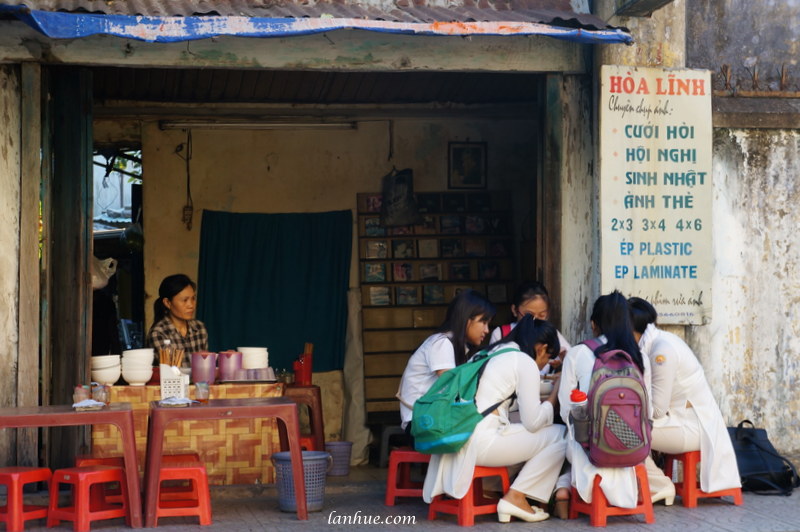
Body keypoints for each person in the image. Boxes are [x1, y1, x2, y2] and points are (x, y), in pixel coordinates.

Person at [423, 315, 568, 523]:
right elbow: (533, 421)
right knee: (560, 435)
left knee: (523, 431)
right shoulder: (523, 361)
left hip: (459, 439)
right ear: (542, 348)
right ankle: (516, 497)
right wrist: (555, 394)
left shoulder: (487, 353)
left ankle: (501, 491)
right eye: (547, 358)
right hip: (480, 444)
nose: (545, 364)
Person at [557, 290, 660, 508]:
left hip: (590, 450)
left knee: (560, 439)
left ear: (594, 324)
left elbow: (566, 411)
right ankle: (564, 487)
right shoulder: (639, 357)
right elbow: (648, 412)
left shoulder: (577, 353)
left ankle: (563, 487)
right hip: (634, 450)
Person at [629, 297, 741, 495]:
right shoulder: (660, 341)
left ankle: (659, 487)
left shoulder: (661, 351)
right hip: (682, 421)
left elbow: (657, 410)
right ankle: (652, 484)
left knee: (624, 433)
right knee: (625, 427)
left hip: (692, 428)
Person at [396, 289, 495, 431]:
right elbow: (452, 388)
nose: (486, 330)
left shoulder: (457, 346)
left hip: (432, 420)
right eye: (483, 322)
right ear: (466, 320)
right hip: (422, 424)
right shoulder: (441, 343)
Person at [489, 281, 571, 373]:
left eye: (542, 315)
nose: (535, 320)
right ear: (514, 310)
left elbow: (573, 359)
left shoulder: (550, 333)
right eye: (529, 315)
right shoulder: (501, 334)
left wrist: (564, 358)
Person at [147, 273, 208, 366]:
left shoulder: (199, 328)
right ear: (167, 303)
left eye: (193, 299)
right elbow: (170, 372)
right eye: (185, 300)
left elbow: (205, 365)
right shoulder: (159, 333)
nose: (191, 305)